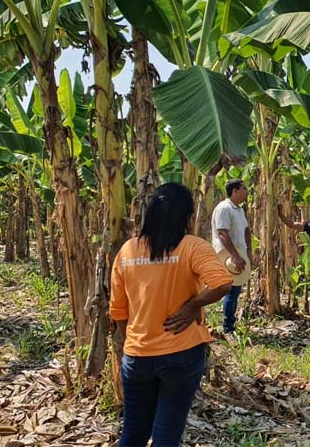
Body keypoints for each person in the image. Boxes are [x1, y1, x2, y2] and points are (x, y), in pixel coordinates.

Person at [110, 183, 232, 447]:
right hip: (181, 354)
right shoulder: (192, 247)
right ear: (187, 216)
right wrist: (192, 306)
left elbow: (119, 310)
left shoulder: (128, 251)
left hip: (137, 356)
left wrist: (131, 342)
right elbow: (223, 283)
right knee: (167, 434)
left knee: (133, 433)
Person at [211, 179, 253, 334]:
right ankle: (228, 328)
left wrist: (247, 251)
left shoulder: (239, 210)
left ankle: (229, 325)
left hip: (239, 255)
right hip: (228, 256)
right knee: (231, 291)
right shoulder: (224, 208)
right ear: (234, 191)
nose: (246, 191)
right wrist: (235, 256)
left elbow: (247, 230)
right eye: (243, 188)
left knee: (234, 291)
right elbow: (222, 232)